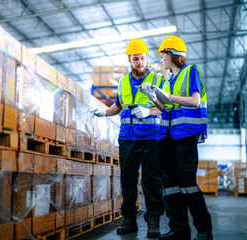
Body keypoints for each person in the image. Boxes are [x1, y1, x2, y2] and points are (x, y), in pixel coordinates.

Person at [140, 36, 213, 240]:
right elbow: (165, 108)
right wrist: (153, 97)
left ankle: (204, 231)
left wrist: (167, 96)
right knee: (170, 184)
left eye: (162, 55)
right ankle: (179, 230)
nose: (161, 59)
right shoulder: (167, 81)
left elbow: (195, 101)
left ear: (171, 54)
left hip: (185, 135)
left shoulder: (191, 72)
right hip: (166, 137)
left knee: (187, 182)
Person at [92, 38, 165, 238]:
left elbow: (163, 108)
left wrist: (148, 111)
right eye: (135, 59)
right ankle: (129, 220)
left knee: (151, 181)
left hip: (150, 138)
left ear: (147, 58)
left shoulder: (158, 80)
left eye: (142, 58)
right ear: (129, 60)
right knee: (128, 181)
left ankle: (153, 221)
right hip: (126, 138)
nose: (139, 62)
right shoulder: (123, 82)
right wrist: (104, 113)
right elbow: (118, 106)